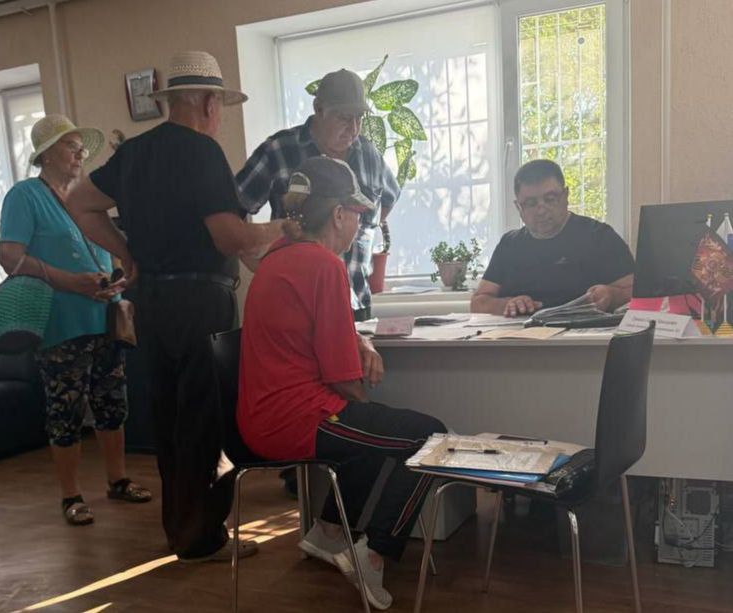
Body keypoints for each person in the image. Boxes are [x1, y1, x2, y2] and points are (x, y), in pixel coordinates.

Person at [67, 51, 285, 562]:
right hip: (202, 304)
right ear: (209, 102)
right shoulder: (203, 151)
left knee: (169, 420)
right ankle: (202, 538)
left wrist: (126, 254)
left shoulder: (134, 152)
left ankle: (181, 532)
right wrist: (283, 228)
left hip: (152, 302)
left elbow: (79, 203)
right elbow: (230, 237)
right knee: (205, 421)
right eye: (221, 106)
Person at [238, 156, 446, 610]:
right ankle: (373, 555)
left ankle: (328, 532)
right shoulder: (323, 264)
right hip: (294, 418)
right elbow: (342, 379)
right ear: (338, 214)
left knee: (368, 433)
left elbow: (317, 332)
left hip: (263, 415)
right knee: (429, 437)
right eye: (358, 215)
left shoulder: (278, 257)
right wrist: (364, 397)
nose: (360, 225)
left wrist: (360, 343)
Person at [0, 114, 151, 526]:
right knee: (66, 411)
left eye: (81, 146)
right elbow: (9, 257)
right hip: (60, 324)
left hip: (104, 318)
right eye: (70, 145)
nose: (80, 153)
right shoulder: (25, 196)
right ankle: (71, 495)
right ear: (46, 154)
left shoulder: (85, 196)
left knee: (113, 404)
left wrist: (115, 279)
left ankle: (118, 480)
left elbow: (104, 251)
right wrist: (70, 282)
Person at [236, 68, 400, 322]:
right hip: (296, 308)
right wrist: (265, 268)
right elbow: (231, 217)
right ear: (318, 108)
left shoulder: (369, 155)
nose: (354, 128)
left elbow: (387, 201)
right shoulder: (279, 150)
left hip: (356, 306)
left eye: (359, 118)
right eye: (344, 118)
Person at [471, 159, 635, 317]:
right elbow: (478, 303)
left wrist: (611, 295)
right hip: (520, 333)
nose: (541, 210)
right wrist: (507, 304)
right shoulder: (509, 245)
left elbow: (637, 292)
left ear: (566, 196)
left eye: (550, 199)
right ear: (518, 207)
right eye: (531, 203)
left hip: (582, 333)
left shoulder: (599, 236)